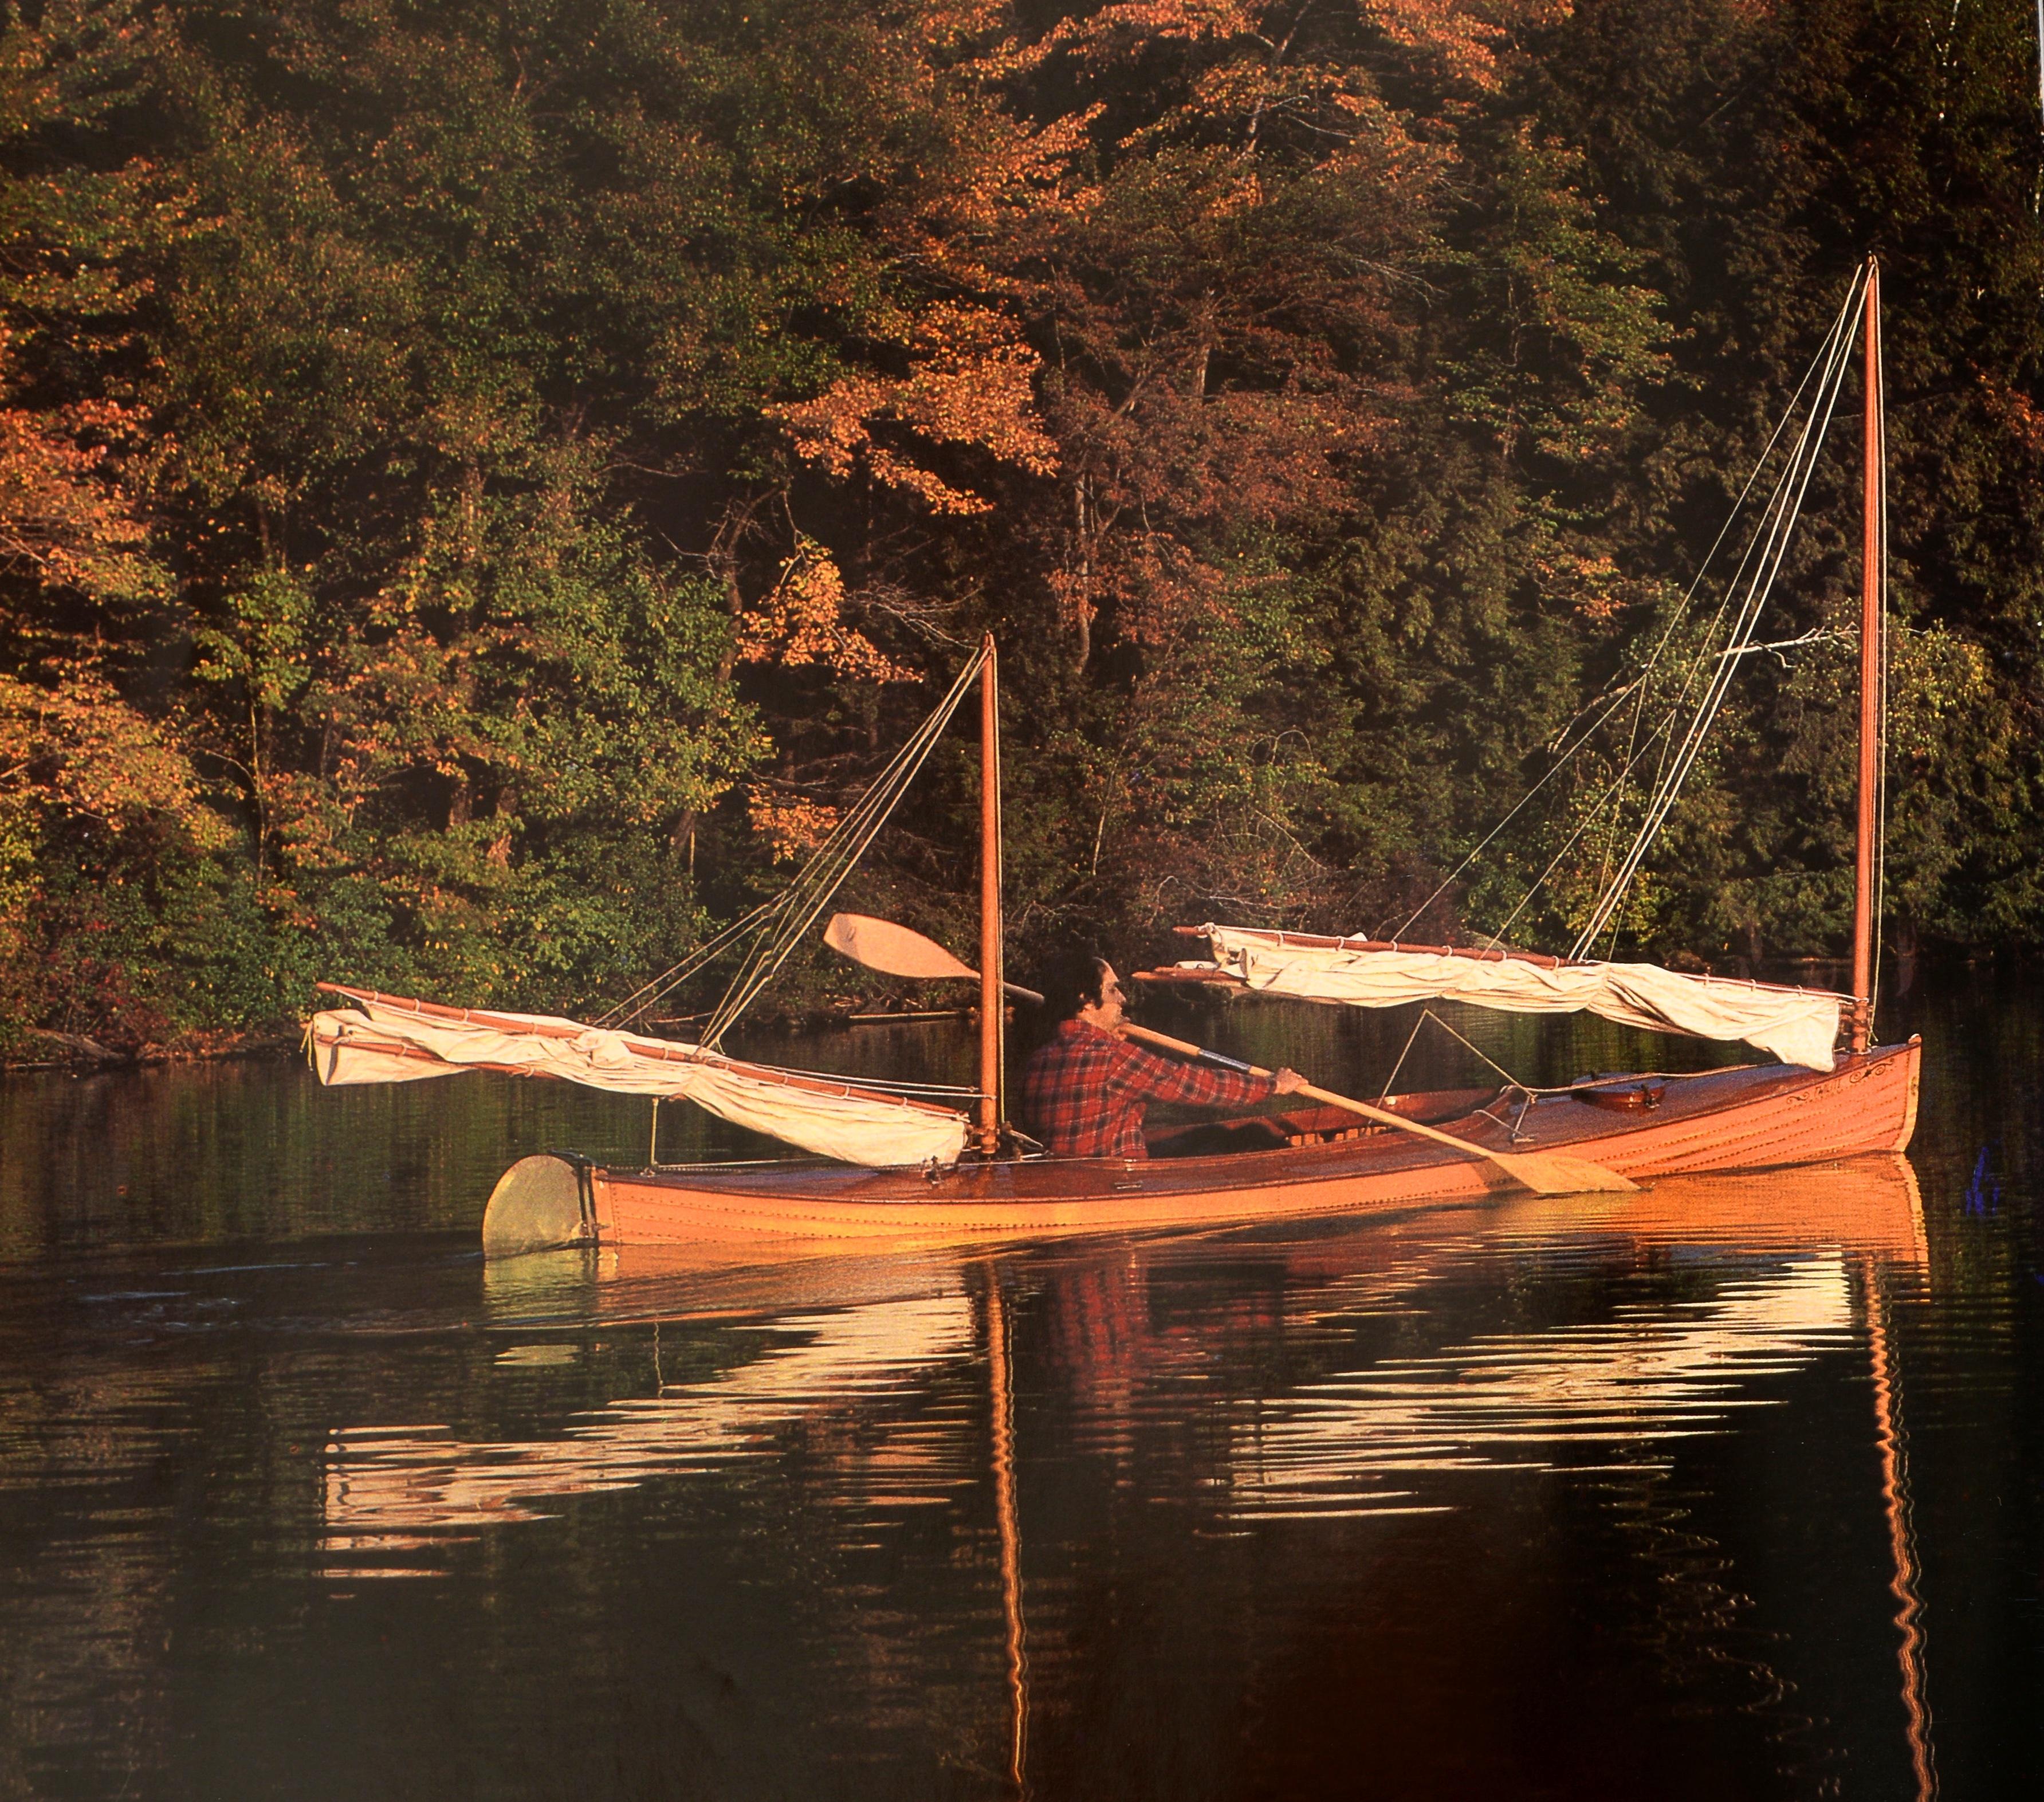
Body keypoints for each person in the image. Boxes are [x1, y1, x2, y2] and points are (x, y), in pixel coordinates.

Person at [1019, 948, 1306, 1159]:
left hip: (1068, 1175)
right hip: (1118, 1180)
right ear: (1087, 1002)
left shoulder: (1038, 1059)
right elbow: (1195, 1085)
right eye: (1113, 990)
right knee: (1253, 1135)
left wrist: (1110, 1038)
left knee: (1212, 1135)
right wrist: (1273, 1085)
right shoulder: (1113, 1057)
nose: (1123, 999)